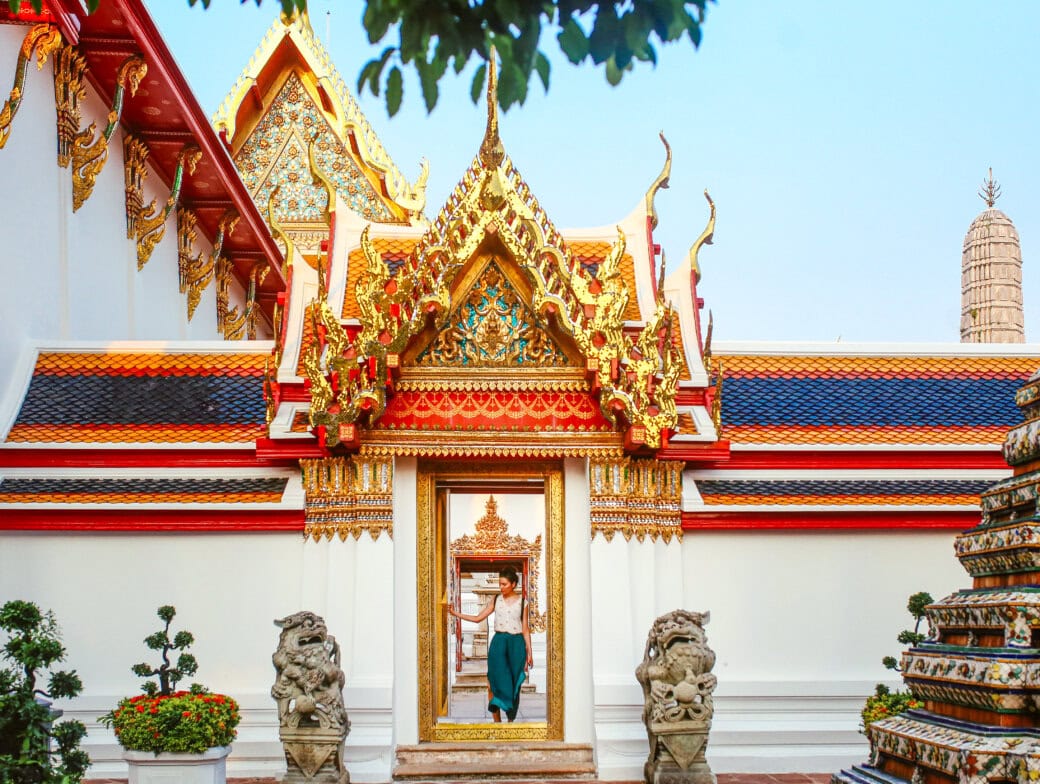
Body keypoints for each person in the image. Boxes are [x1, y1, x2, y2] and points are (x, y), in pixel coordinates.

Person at [448, 566, 532, 722]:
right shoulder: (496, 599)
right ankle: (497, 723)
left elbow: (525, 629)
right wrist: (455, 614)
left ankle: (510, 721)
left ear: (513, 584)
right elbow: (478, 618)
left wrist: (530, 653)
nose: (501, 587)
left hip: (517, 644)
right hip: (498, 643)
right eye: (500, 584)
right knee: (493, 681)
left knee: (513, 684)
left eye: (504, 584)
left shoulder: (523, 603)